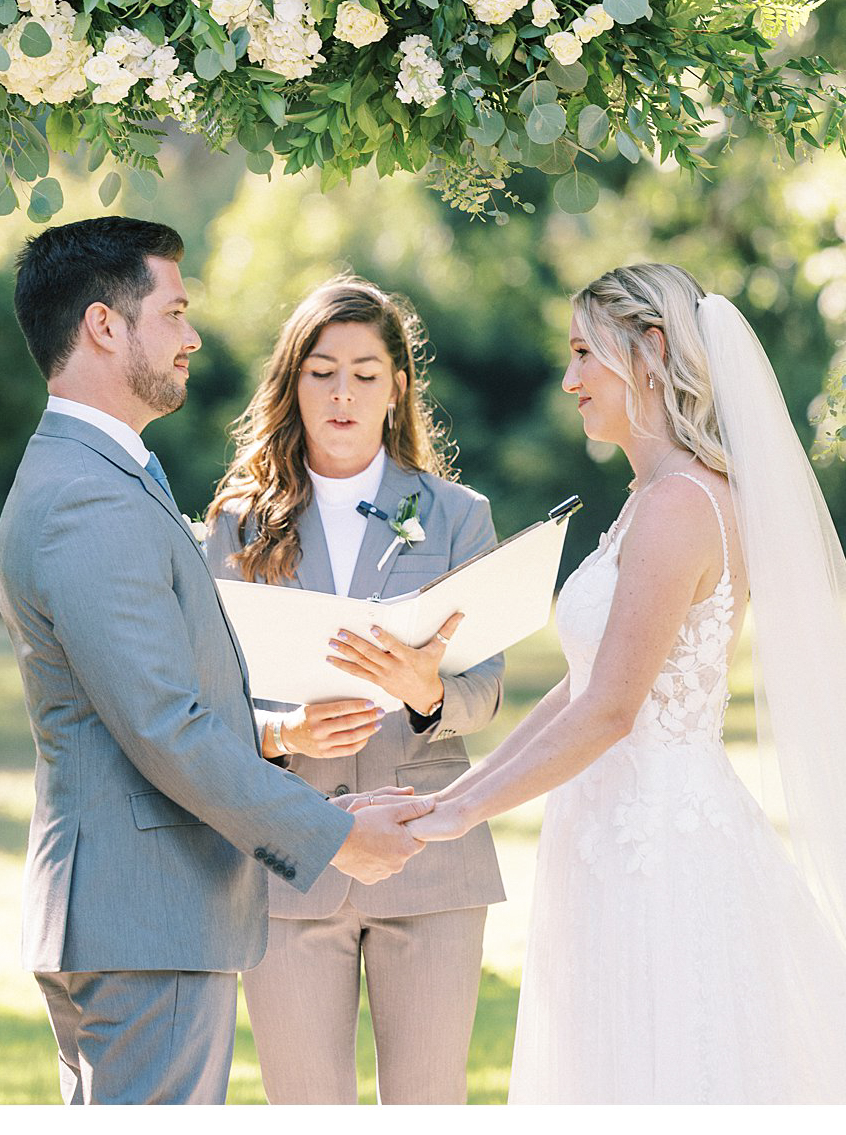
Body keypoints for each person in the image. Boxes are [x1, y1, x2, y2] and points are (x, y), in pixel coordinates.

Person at [409, 263, 846, 1103]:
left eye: (584, 353)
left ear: (649, 351)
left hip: (661, 847)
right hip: (611, 831)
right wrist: (455, 797)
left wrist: (461, 812)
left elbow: (611, 712)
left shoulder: (680, 505)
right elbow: (584, 686)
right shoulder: (648, 497)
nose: (569, 379)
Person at [0, 218, 431, 1105]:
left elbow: (143, 703)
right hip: (144, 920)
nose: (192, 336)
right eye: (175, 310)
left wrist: (280, 732)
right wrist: (337, 835)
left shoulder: (103, 473)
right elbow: (164, 728)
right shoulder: (86, 495)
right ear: (104, 326)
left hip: (140, 916)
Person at [204, 276, 505, 1104]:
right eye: (322, 370)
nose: (343, 393)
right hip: (289, 855)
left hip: (429, 846)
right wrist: (285, 729)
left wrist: (427, 691)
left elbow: (486, 691)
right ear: (292, 380)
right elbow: (204, 696)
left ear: (398, 386)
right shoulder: (235, 522)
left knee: (429, 1104)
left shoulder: (456, 515)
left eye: (366, 373)